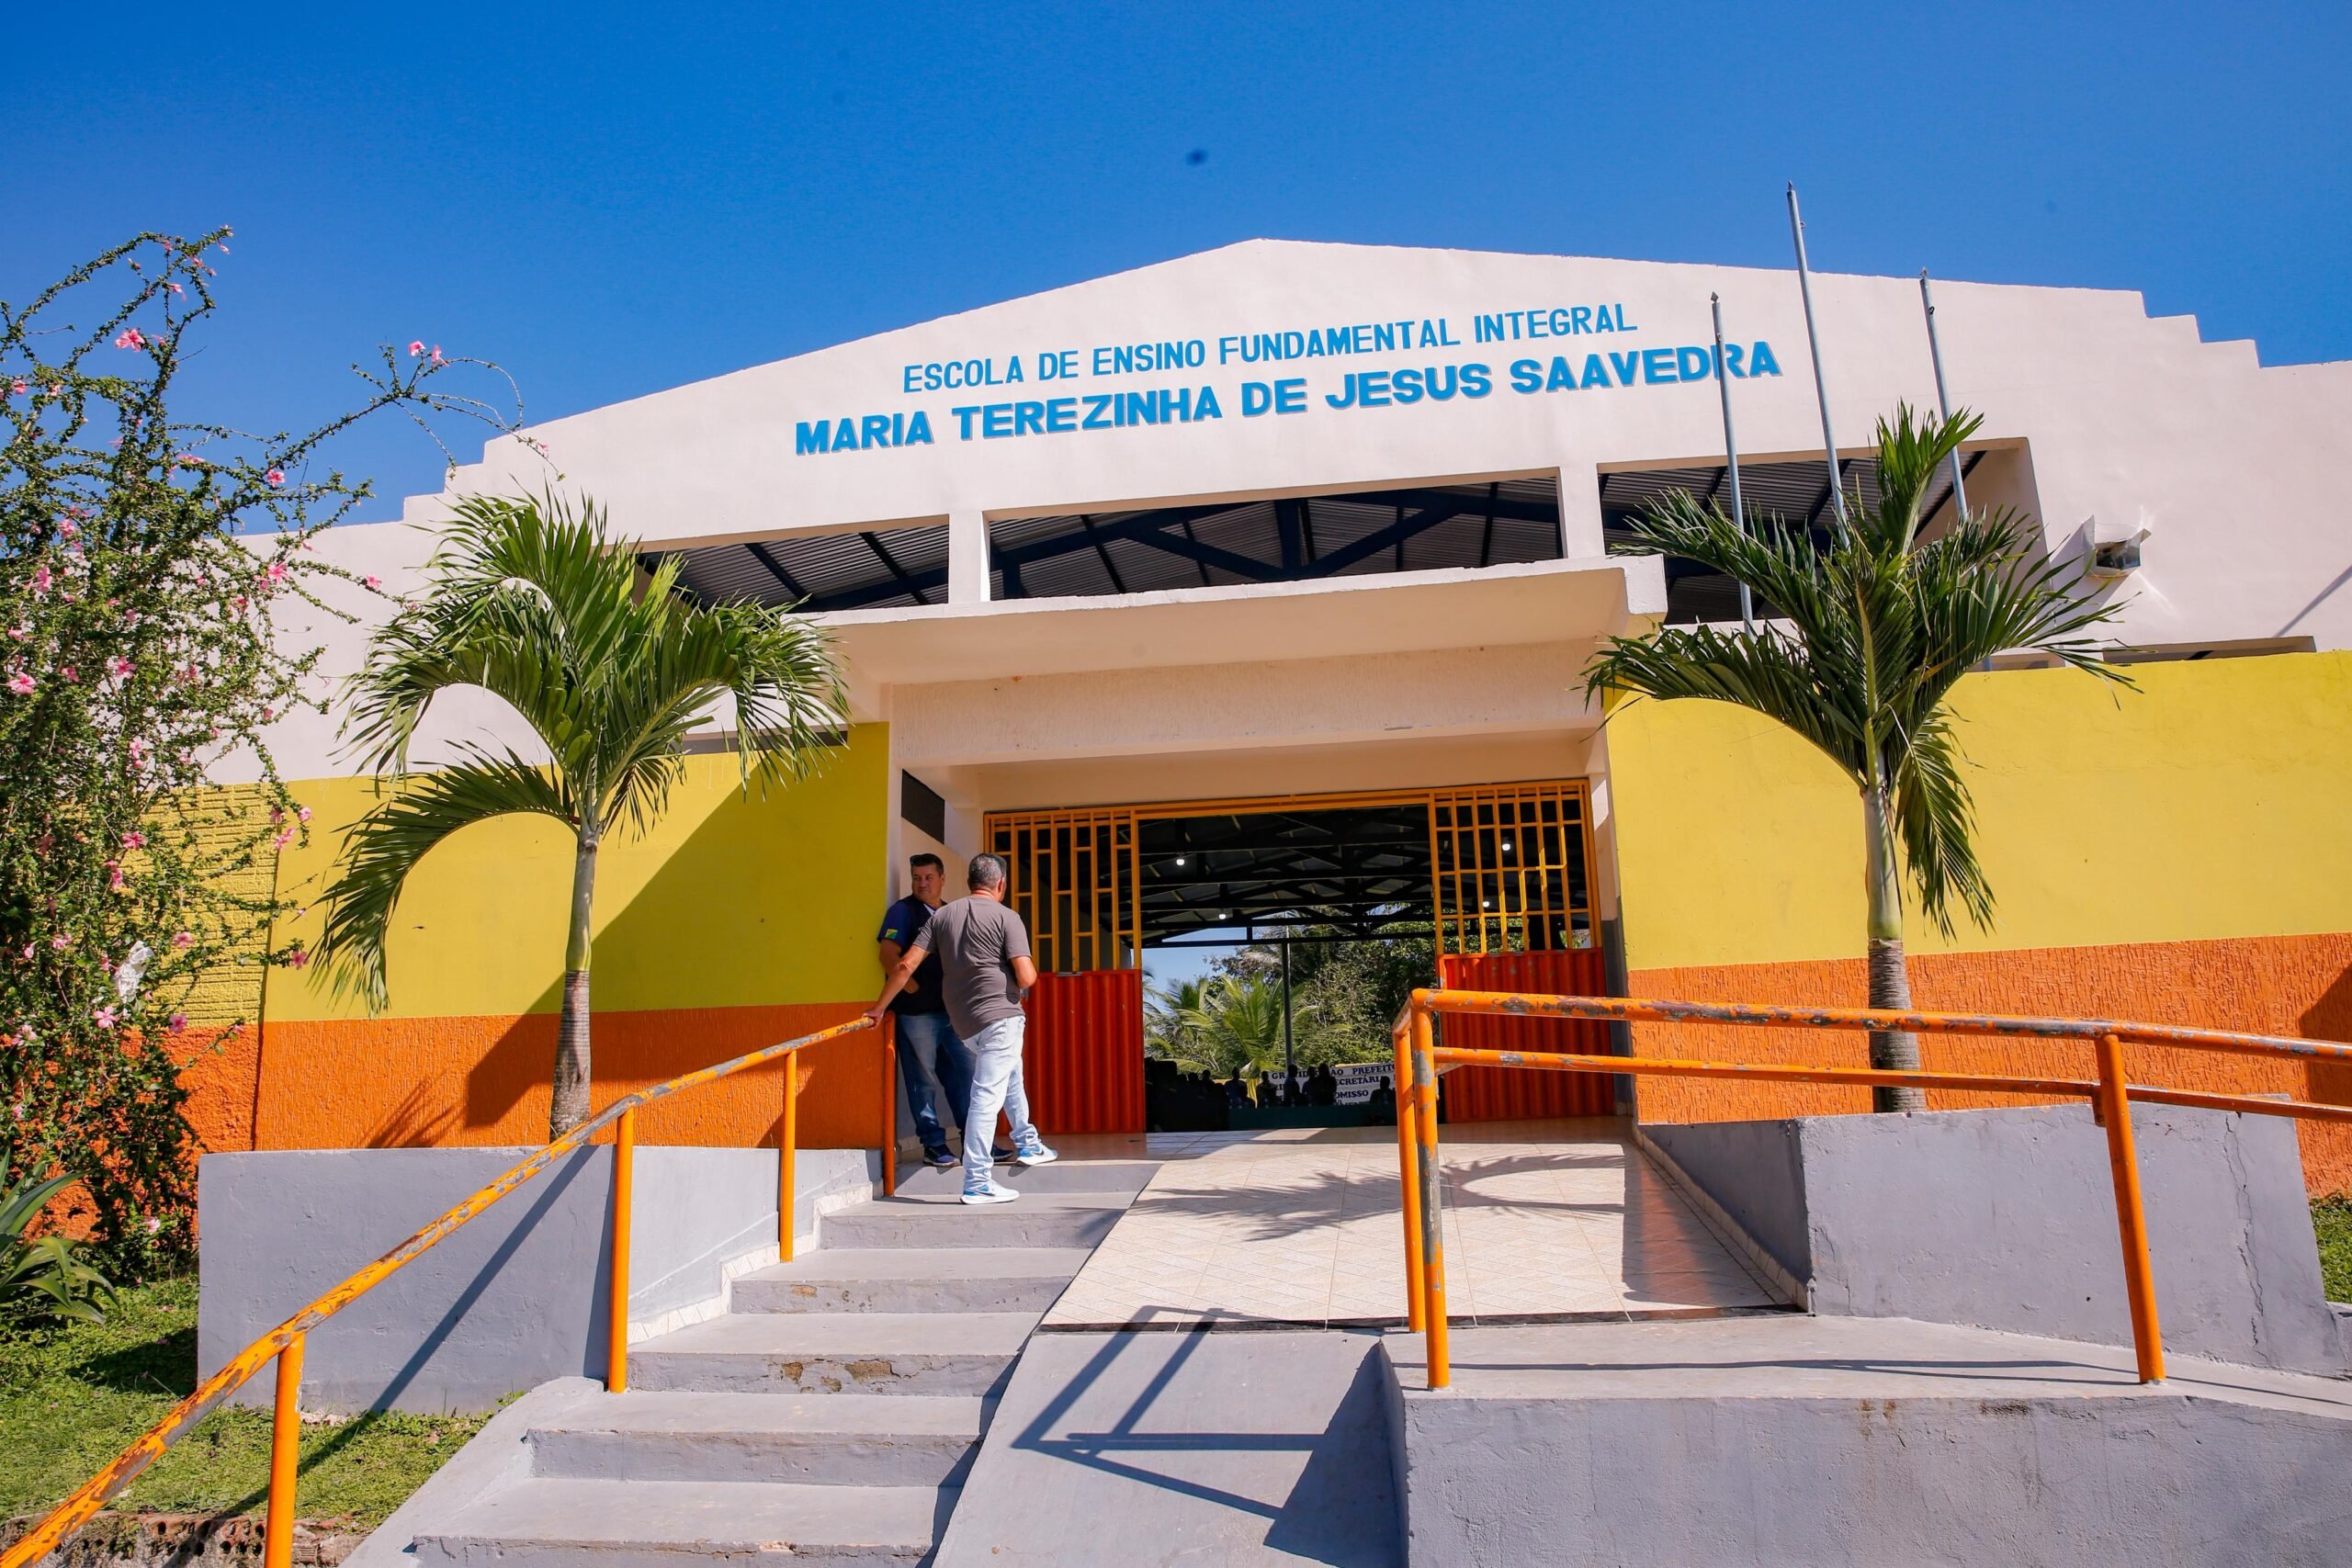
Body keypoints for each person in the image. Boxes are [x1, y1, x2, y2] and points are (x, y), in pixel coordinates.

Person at [867, 853, 1056, 1204]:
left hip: (963, 1022)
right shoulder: (1007, 917)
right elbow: (1027, 976)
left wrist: (879, 1008)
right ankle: (978, 1179)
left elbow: (906, 963)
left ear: (963, 881)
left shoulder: (942, 917)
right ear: (1001, 883)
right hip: (1000, 1016)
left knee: (1011, 1075)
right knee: (985, 1093)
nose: (922, 883)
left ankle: (1028, 1143)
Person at [876, 853, 984, 1169]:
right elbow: (887, 953)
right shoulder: (902, 911)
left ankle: (976, 1143)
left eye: (928, 877)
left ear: (942, 878)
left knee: (966, 1078)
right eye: (916, 878)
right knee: (921, 1079)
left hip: (953, 1014)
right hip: (917, 1014)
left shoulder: (950, 912)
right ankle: (933, 1144)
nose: (922, 883)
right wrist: (912, 990)